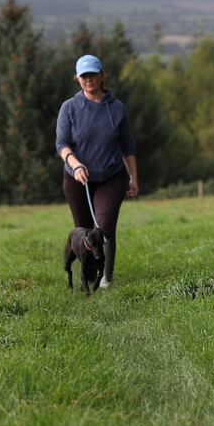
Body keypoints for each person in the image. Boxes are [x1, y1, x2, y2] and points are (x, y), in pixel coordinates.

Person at [56, 54, 138, 288]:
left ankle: (105, 278)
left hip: (111, 176)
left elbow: (128, 146)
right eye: (84, 76)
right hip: (77, 178)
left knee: (104, 225)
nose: (89, 79)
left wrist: (133, 177)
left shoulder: (117, 108)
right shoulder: (69, 108)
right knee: (83, 229)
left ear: (102, 76)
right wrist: (75, 163)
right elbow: (61, 144)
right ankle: (88, 275)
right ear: (77, 79)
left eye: (93, 74)